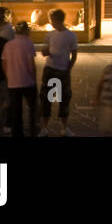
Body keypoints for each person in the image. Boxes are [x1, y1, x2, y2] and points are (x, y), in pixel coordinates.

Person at [39, 8, 78, 136]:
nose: (51, 22)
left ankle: (63, 127)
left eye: (52, 20)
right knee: (47, 99)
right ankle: (45, 127)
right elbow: (45, 50)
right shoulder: (50, 35)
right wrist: (46, 52)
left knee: (64, 99)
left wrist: (68, 68)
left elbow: (74, 54)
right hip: (50, 68)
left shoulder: (70, 35)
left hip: (61, 70)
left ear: (56, 20)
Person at [2, 21, 38, 138]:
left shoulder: (8, 45)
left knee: (16, 110)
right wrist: (34, 78)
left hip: (13, 82)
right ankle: (33, 130)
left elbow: (4, 64)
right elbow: (31, 65)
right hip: (27, 81)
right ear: (26, 31)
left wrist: (9, 77)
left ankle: (17, 133)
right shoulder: (28, 43)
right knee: (33, 107)